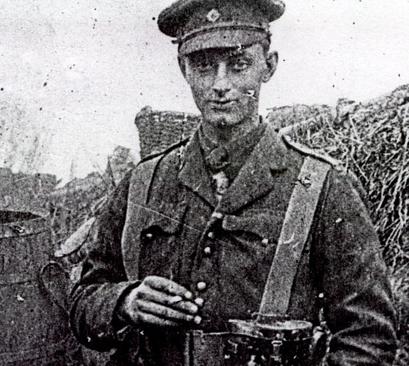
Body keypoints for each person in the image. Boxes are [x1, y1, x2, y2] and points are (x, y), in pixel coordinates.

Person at [69, 0, 398, 365]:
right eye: (204, 66)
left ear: (268, 66)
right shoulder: (141, 184)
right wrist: (124, 301)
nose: (220, 85)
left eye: (239, 64)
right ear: (184, 69)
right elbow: (84, 301)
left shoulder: (324, 188)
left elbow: (368, 337)